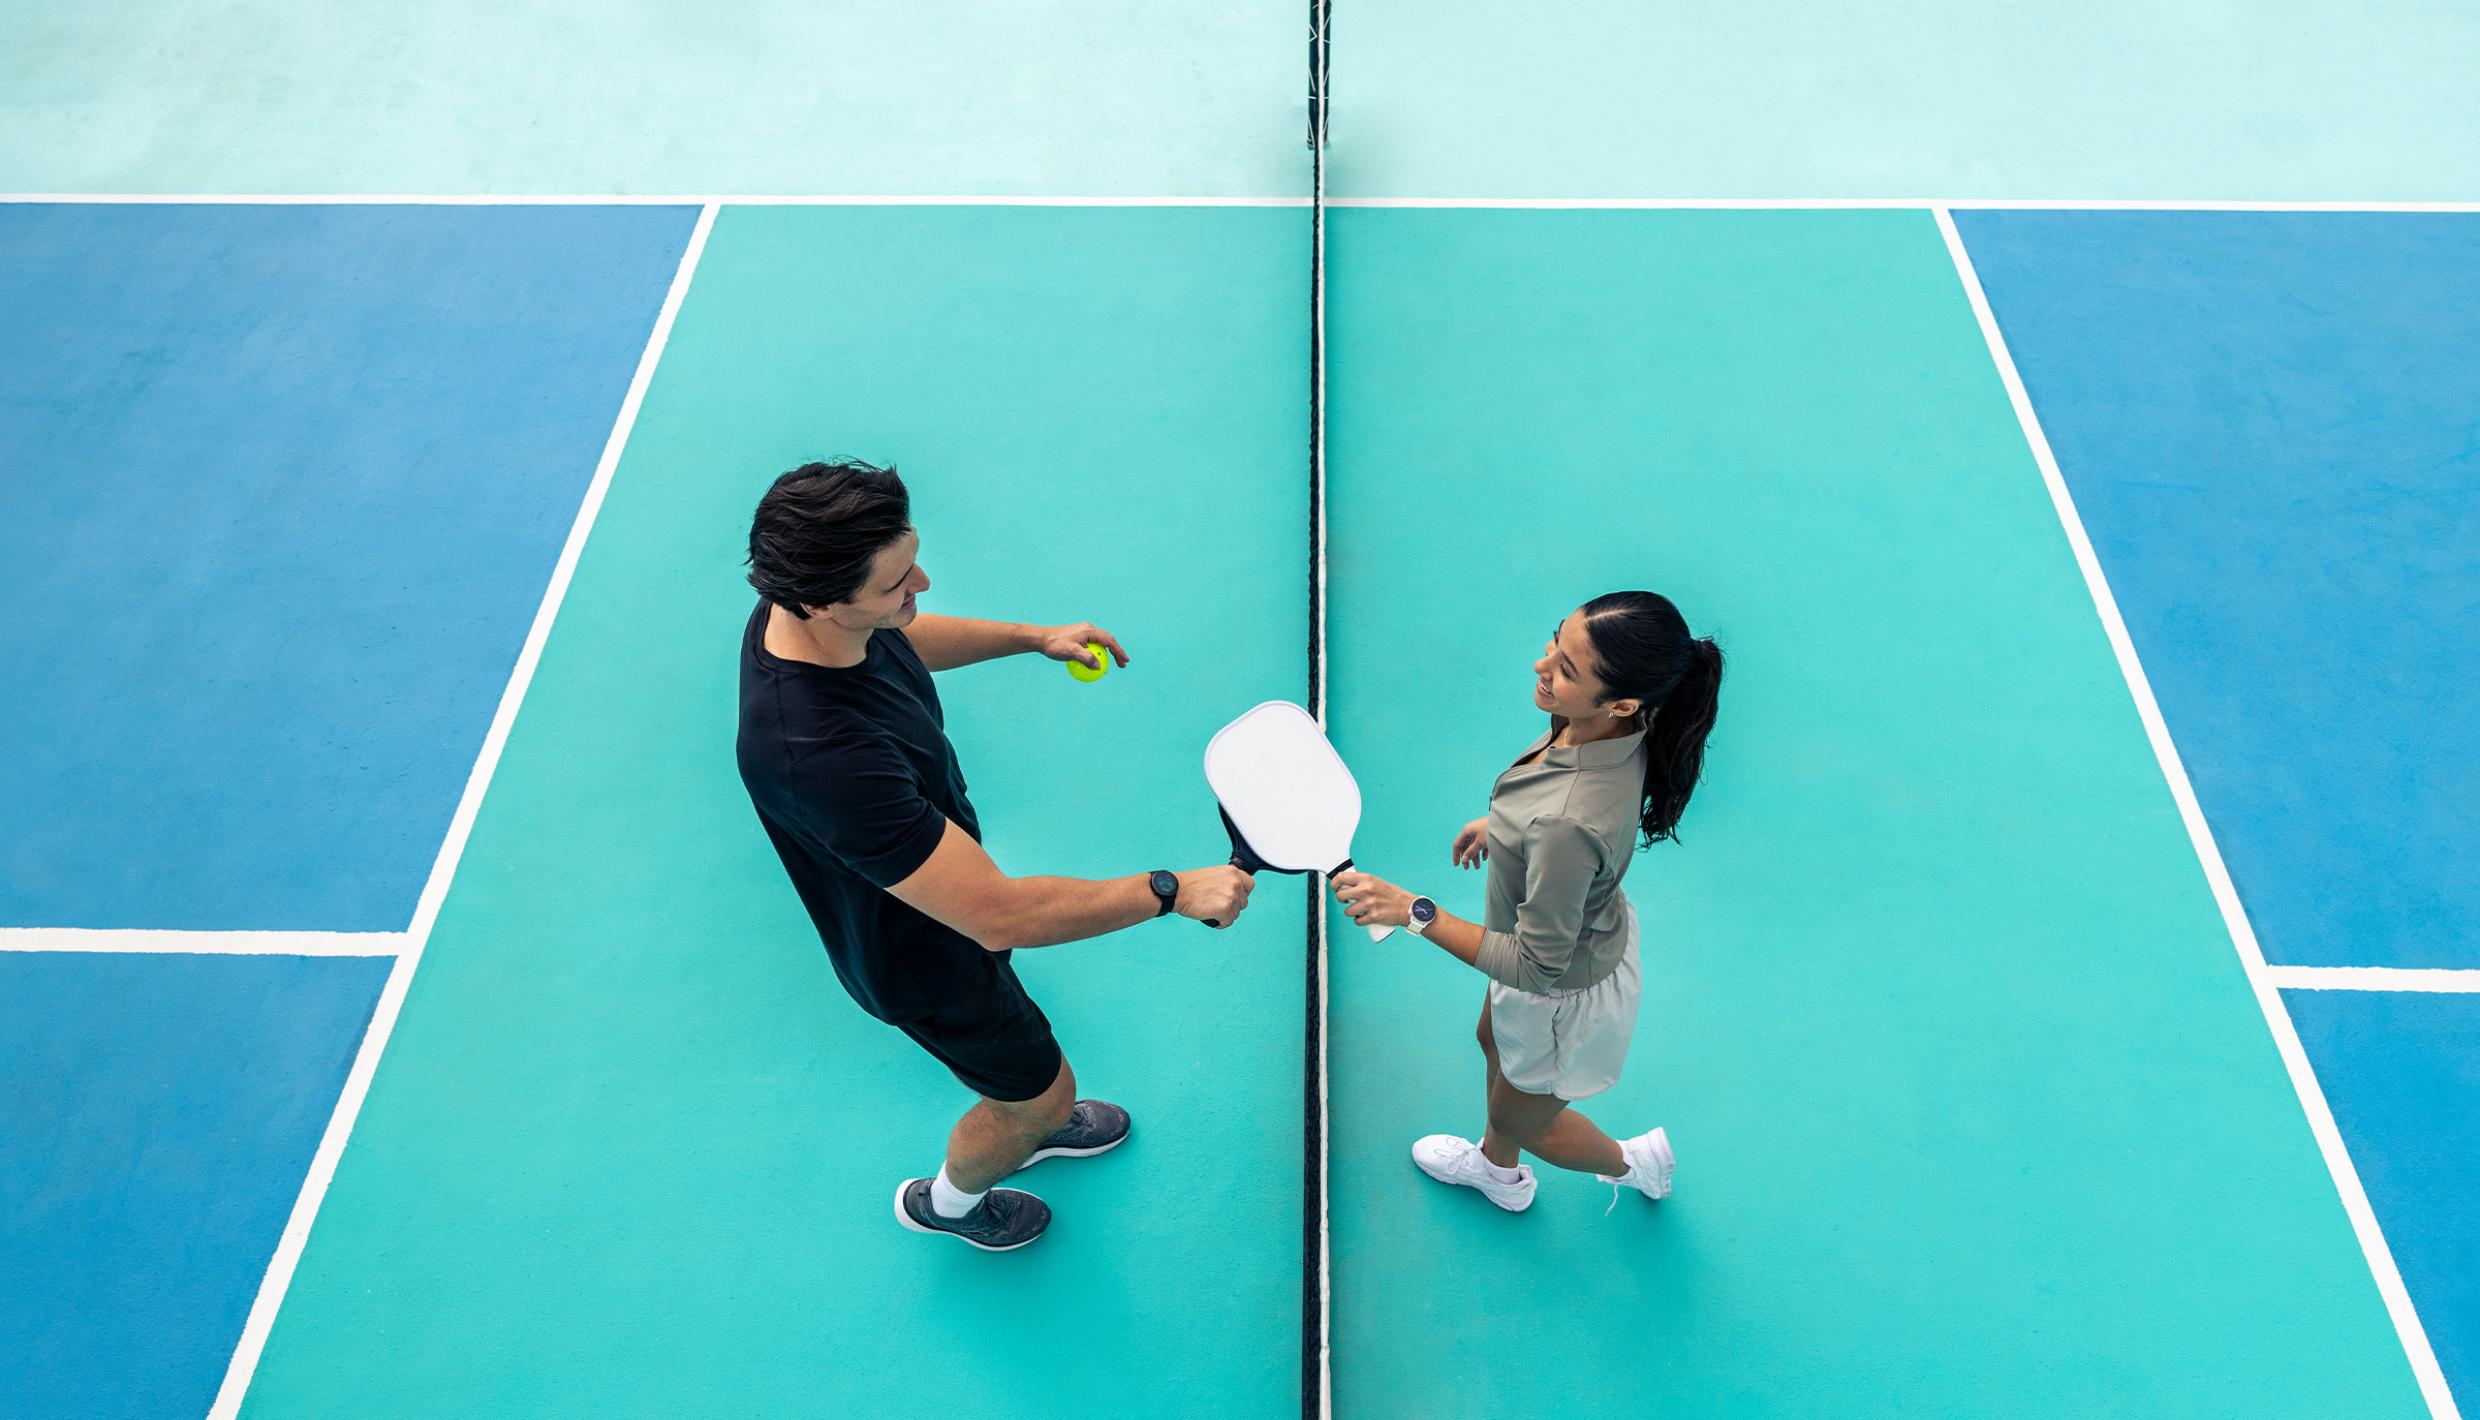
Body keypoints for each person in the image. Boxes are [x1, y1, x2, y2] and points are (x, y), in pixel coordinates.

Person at [736, 459, 1256, 1252]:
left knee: (1026, 1066)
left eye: (913, 560)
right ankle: (951, 1199)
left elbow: (900, 635)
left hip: (942, 893)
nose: (924, 583)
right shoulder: (819, 753)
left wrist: (1032, 638)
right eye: (896, 582)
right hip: (925, 954)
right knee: (1039, 1098)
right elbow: (997, 913)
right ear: (819, 601)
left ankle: (1028, 1117)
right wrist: (1171, 889)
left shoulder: (805, 615)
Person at [1334, 591, 1722, 1212]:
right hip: (1565, 943)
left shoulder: (1566, 827)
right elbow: (1558, 802)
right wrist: (1505, 827)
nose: (1542, 666)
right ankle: (1497, 1170)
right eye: (1555, 643)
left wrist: (1412, 911)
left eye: (1567, 669)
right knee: (1492, 1038)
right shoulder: (1610, 725)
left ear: (1623, 702)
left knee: (1525, 1119)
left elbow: (1539, 963)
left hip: (1559, 988)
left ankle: (1635, 1163)